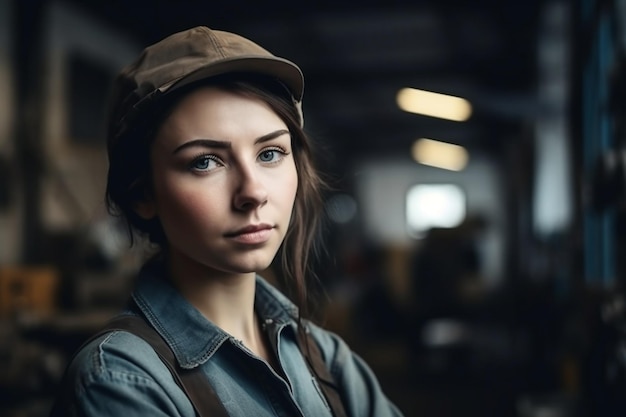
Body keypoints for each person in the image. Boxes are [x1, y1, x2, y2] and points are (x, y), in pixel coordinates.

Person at [49, 26, 403, 417]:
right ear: (142, 194)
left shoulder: (325, 357)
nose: (253, 191)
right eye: (205, 161)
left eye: (270, 153)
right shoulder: (119, 380)